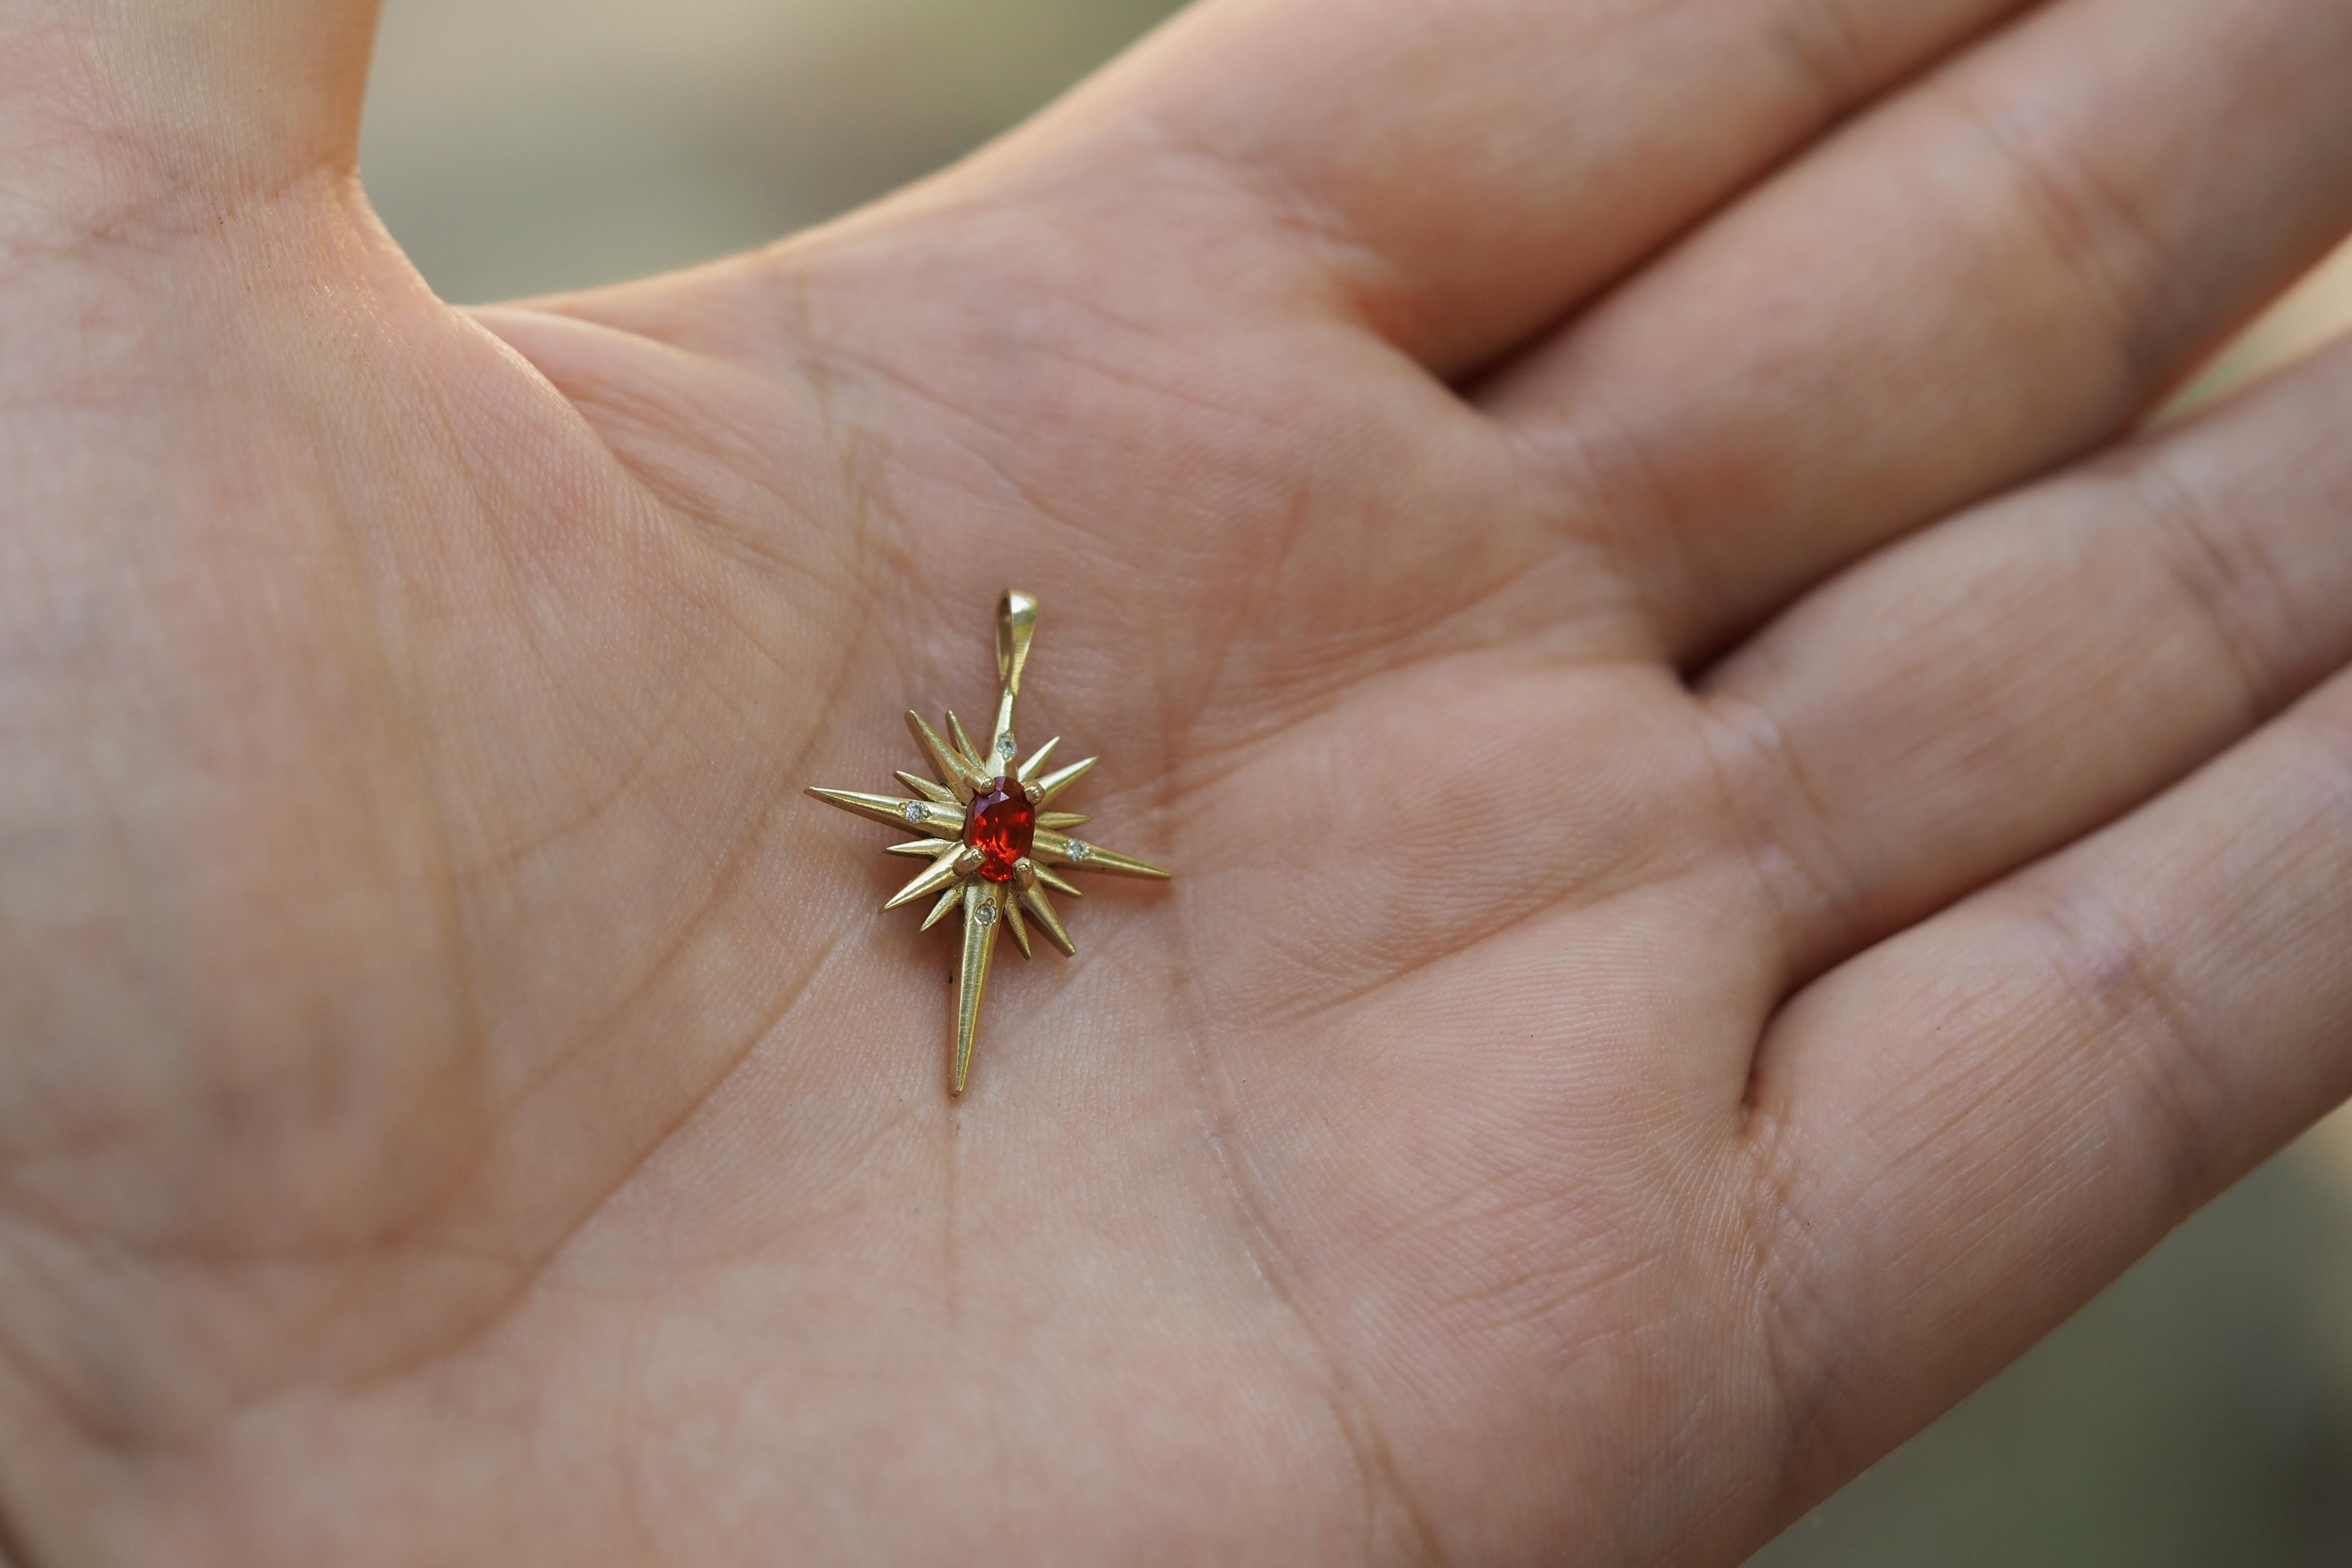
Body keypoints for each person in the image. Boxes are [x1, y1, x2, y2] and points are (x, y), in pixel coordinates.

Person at [2, 0, 2348, 1560]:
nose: (994, 834)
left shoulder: (987, 836)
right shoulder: (990, 846)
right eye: (994, 827)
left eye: (1002, 827)